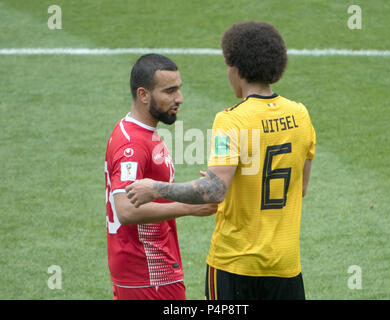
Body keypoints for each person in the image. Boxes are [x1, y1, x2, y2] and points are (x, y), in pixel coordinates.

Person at [126, 21, 316, 300]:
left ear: (236, 68)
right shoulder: (300, 114)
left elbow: (213, 191)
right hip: (285, 265)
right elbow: (299, 188)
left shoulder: (232, 119)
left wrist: (154, 188)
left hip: (235, 264)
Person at [104, 54, 217, 300]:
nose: (180, 99)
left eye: (179, 89)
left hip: (147, 266)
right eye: (170, 91)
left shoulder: (140, 131)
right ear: (143, 95)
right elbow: (125, 210)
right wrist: (188, 207)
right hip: (148, 269)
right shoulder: (132, 144)